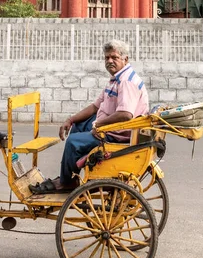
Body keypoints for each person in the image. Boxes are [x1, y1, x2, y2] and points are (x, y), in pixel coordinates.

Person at [30, 40, 149, 194]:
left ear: (125, 59)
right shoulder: (117, 79)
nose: (109, 61)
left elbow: (125, 114)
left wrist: (99, 124)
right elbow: (95, 106)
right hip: (112, 129)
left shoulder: (126, 82)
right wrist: (71, 120)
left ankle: (66, 182)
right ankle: (71, 175)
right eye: (107, 58)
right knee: (78, 126)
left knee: (73, 142)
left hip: (118, 135)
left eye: (114, 57)